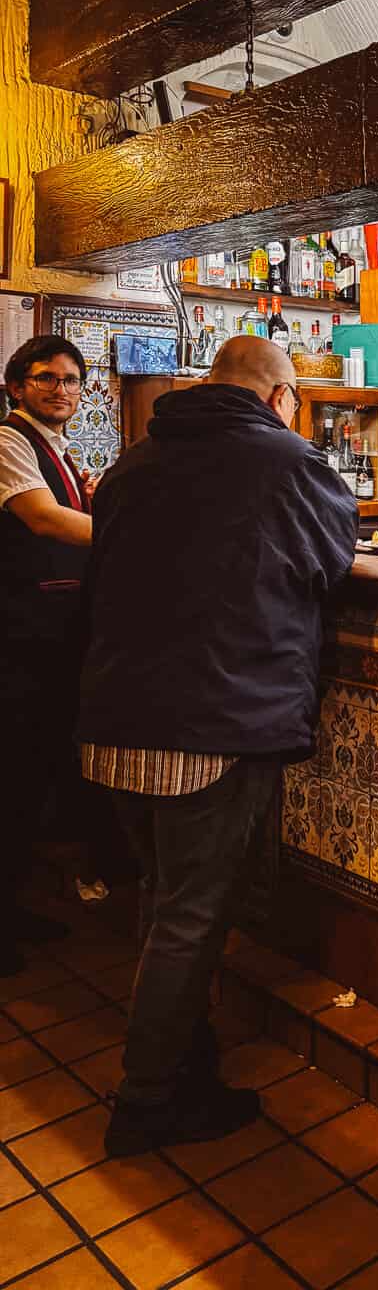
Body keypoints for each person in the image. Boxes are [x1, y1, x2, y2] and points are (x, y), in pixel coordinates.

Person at [77, 336, 359, 1156]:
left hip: (115, 720)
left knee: (163, 903)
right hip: (212, 722)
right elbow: (332, 561)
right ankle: (148, 1101)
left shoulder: (133, 462)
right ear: (281, 396)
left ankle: (181, 1060)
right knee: (191, 919)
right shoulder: (287, 462)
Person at [0, 336, 94, 975]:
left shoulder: (58, 450)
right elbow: (42, 520)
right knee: (11, 782)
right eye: (44, 379)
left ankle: (12, 911)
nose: (60, 390)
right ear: (15, 387)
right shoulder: (8, 441)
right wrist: (142, 532)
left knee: (30, 782)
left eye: (70, 379)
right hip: (18, 636)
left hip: (50, 637)